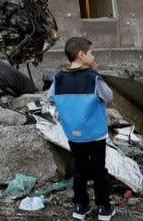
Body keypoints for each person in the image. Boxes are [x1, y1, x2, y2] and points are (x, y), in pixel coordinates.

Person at [48, 37, 115, 221]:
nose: (93, 56)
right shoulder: (93, 77)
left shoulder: (58, 77)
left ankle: (80, 206)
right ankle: (104, 208)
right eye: (91, 53)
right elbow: (108, 97)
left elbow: (51, 98)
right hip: (94, 134)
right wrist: (96, 74)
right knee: (99, 170)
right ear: (81, 54)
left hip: (73, 134)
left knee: (80, 169)